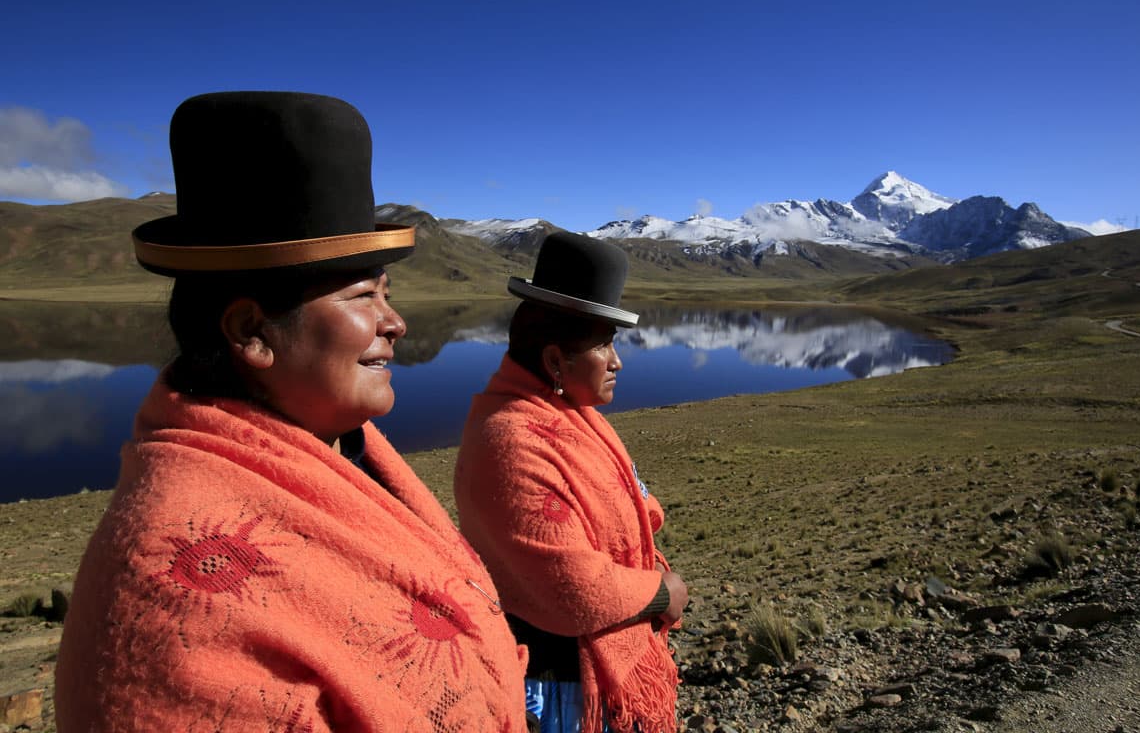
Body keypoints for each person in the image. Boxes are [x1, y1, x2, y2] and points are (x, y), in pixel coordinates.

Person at [56, 91, 528, 732]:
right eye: (364, 294)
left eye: (389, 293)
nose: (396, 322)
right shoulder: (183, 602)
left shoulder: (346, 453)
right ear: (252, 330)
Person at [454, 232, 687, 733]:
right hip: (559, 691)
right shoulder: (512, 442)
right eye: (604, 344)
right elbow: (571, 591)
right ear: (556, 362)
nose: (618, 361)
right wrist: (663, 593)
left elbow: (639, 506)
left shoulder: (568, 416)